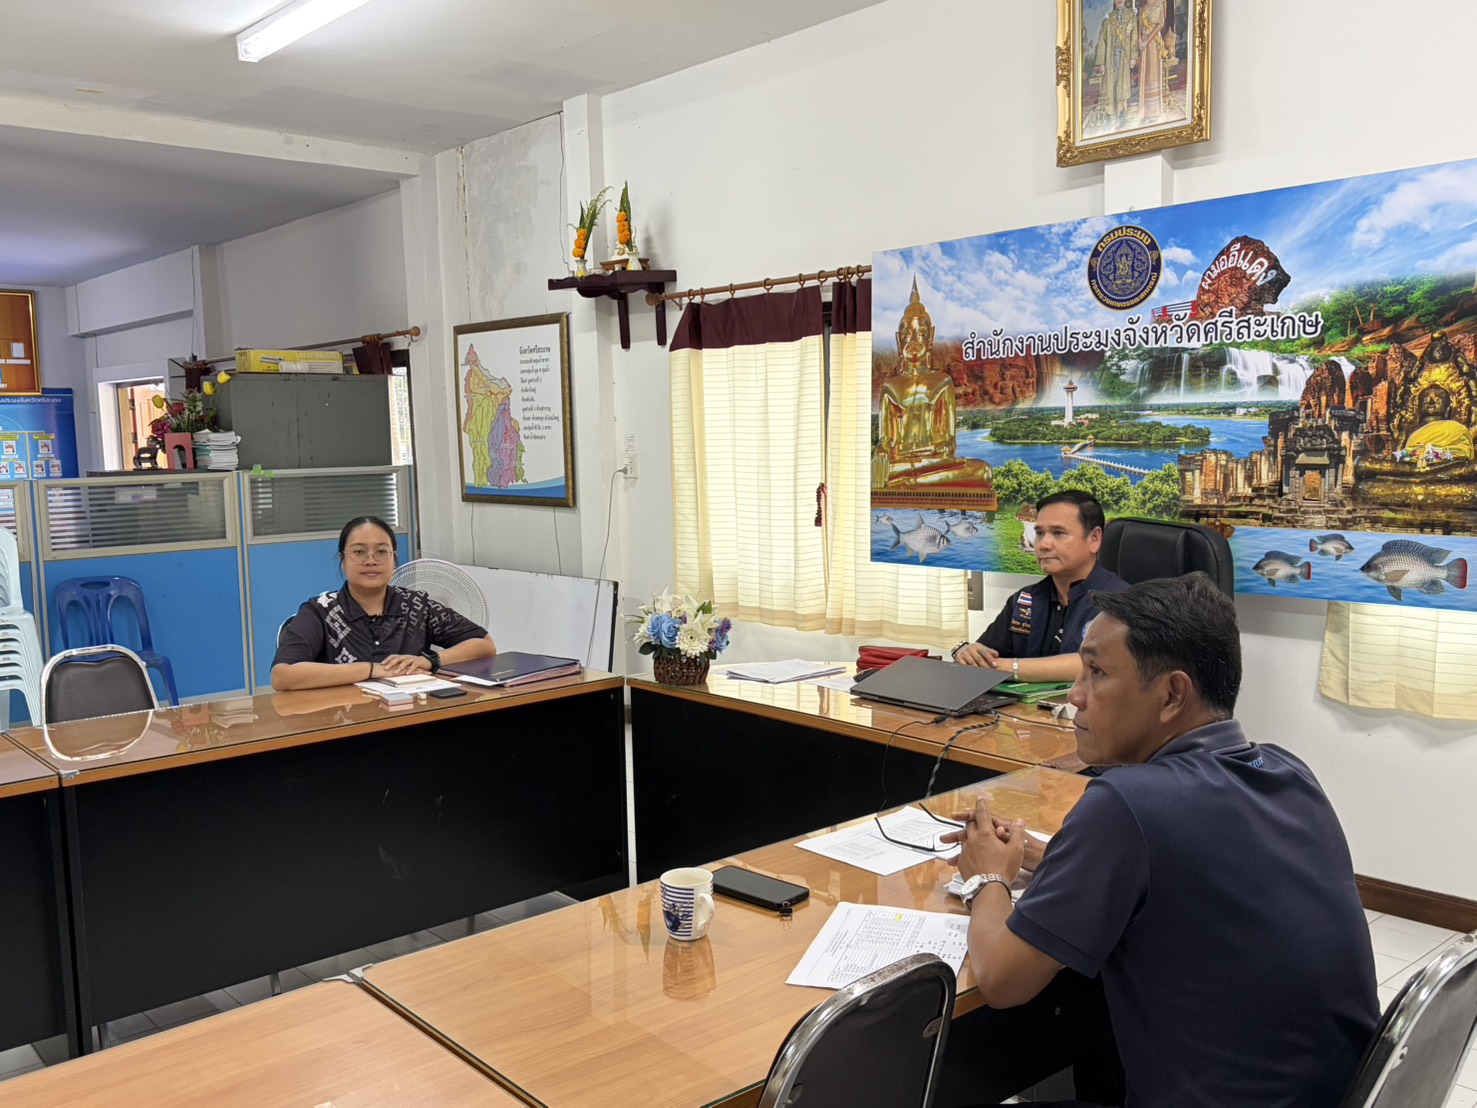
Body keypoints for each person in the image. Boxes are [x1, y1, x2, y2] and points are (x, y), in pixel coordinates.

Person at [945, 574, 1378, 1107]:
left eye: (1096, 672)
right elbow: (1186, 875)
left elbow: (1002, 981)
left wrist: (987, 877)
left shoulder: (1126, 803)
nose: (1075, 696)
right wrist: (1048, 856)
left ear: (1172, 694)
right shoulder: (1290, 771)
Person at [271, 515, 496, 691]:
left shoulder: (416, 605)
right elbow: (282, 676)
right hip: (346, 722)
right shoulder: (321, 611)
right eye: (359, 552)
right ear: (343, 560)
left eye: (381, 551)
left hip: (411, 715)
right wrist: (372, 670)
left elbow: (484, 644)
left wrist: (430, 661)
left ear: (394, 559)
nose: (371, 560)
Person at [953, 491, 1127, 683]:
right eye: (1039, 533)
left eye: (1059, 533)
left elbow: (1092, 664)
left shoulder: (1123, 604)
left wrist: (1010, 668)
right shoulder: (1025, 599)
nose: (1043, 544)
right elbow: (985, 655)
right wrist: (969, 653)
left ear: (1094, 539)